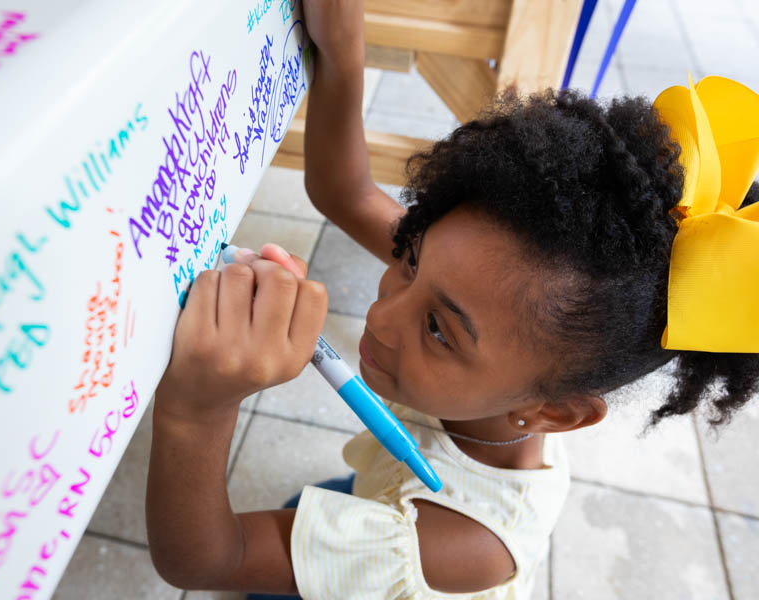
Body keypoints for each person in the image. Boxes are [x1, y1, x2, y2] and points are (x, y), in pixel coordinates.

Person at [145, 1, 759, 598]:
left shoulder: (457, 544)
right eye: (409, 260)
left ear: (557, 414)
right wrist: (343, 56)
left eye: (438, 330)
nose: (381, 315)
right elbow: (347, 191)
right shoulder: (496, 310)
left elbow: (206, 559)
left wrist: (197, 408)